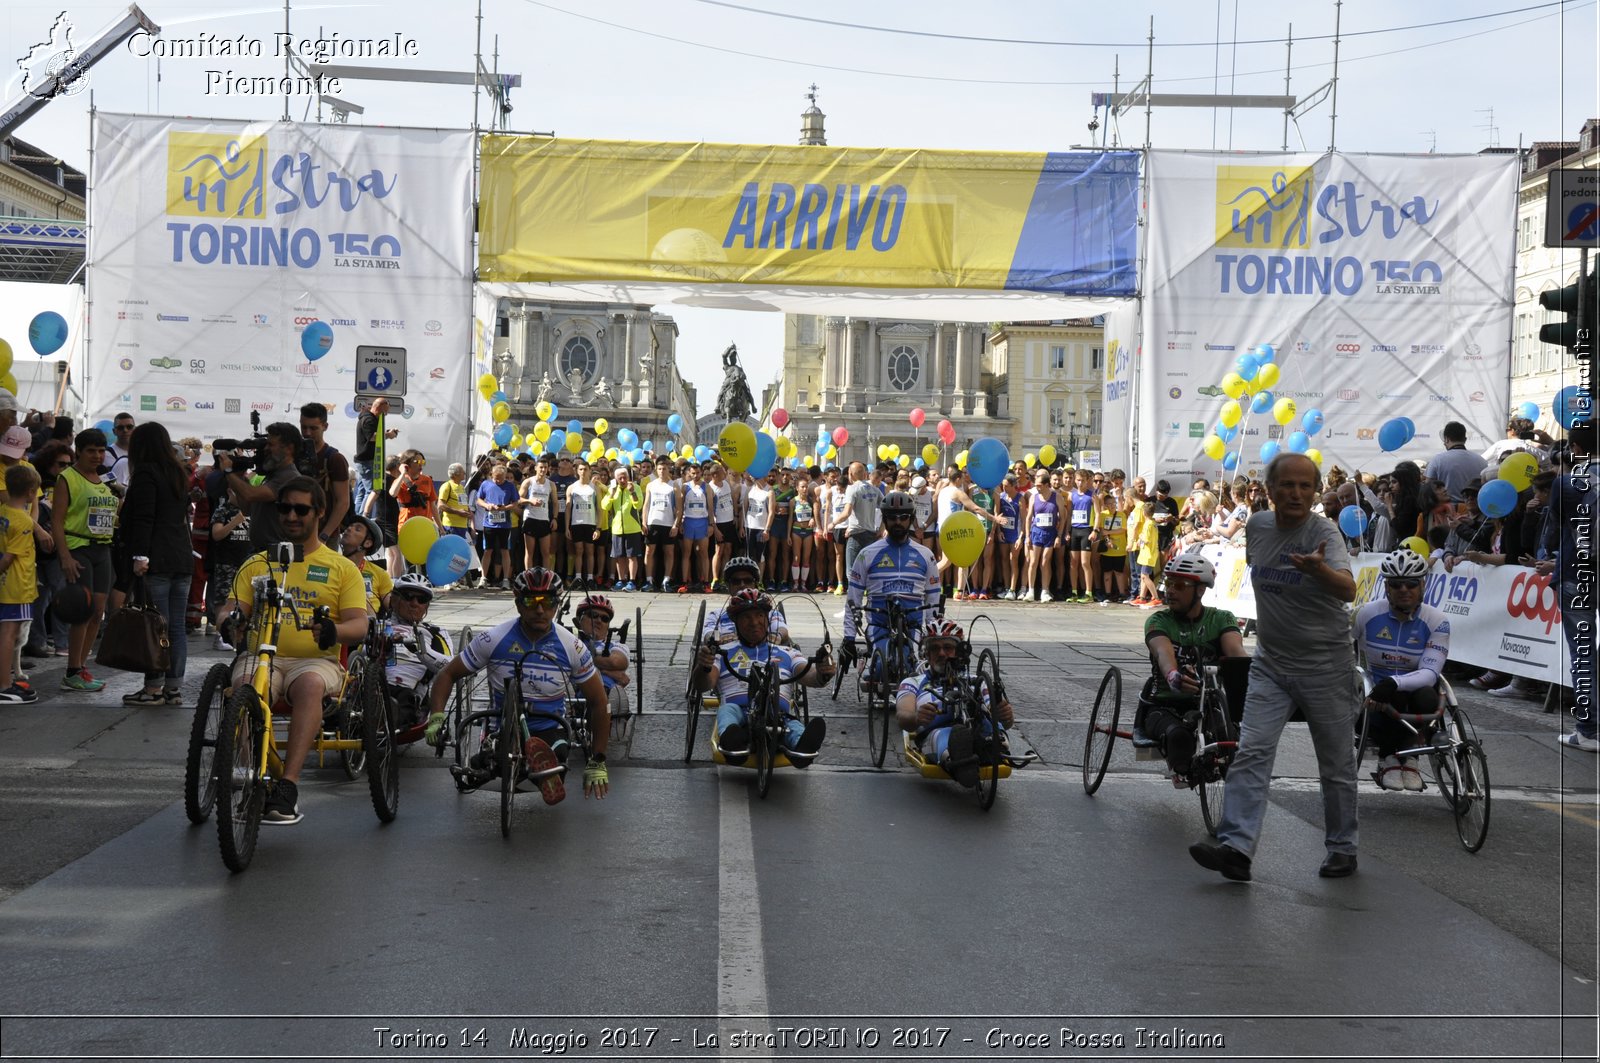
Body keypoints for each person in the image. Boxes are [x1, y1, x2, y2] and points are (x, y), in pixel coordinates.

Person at [1190, 452, 1359, 883]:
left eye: (1306, 486)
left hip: (1326, 665)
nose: (1296, 493)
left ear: (1316, 491)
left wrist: (1320, 571)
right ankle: (1237, 848)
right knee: (1251, 752)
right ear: (1269, 491)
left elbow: (1347, 589)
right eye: (1287, 485)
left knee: (1335, 764)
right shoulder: (1259, 526)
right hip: (1271, 663)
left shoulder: (1324, 533)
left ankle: (1342, 848)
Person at [215, 477, 369, 824]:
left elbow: (360, 625)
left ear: (320, 513)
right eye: (284, 508)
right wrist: (228, 621)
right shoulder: (257, 563)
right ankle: (254, 774)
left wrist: (333, 630)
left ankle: (288, 785)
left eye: (301, 509)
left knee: (311, 686)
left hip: (315, 661)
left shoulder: (341, 567)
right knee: (244, 688)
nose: (291, 516)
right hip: (261, 657)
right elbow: (229, 608)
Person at [429, 568, 610, 803]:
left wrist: (598, 760)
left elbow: (599, 702)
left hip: (549, 726)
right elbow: (447, 674)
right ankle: (501, 763)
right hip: (503, 725)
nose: (539, 610)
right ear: (517, 604)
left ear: (556, 605)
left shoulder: (572, 647)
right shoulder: (493, 639)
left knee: (556, 755)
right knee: (498, 757)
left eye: (547, 602)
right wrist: (436, 717)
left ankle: (535, 768)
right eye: (530, 601)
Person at [690, 588, 831, 765]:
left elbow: (809, 675)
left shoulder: (787, 652)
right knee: (727, 711)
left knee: (792, 724)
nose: (754, 622)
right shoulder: (722, 653)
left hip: (777, 714)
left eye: (759, 616)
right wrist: (703, 667)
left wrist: (822, 672)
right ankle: (733, 742)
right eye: (746, 617)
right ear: (736, 622)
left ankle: (802, 746)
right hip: (738, 712)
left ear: (767, 619)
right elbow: (704, 684)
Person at [1142, 554, 1248, 784]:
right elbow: (1163, 652)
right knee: (1179, 740)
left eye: (1179, 586)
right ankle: (1181, 768)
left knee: (1232, 741)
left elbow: (1236, 653)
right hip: (1164, 705)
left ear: (1200, 590)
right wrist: (1172, 675)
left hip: (1209, 705)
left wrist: (1254, 674)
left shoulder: (1220, 619)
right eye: (1168, 583)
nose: (1170, 591)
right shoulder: (1158, 621)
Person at [1352, 549, 1450, 791]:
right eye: (1396, 584)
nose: (1404, 589)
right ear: (1387, 587)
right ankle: (1391, 758)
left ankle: (1410, 758)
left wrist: (1394, 682)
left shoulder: (1437, 620)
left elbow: (1430, 672)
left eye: (1411, 584)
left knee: (1426, 694)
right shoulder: (1365, 614)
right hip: (1374, 697)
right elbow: (1339, 647)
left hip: (1416, 694)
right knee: (1388, 697)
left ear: (1422, 586)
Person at [118, 422, 195, 706]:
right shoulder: (177, 473)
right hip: (181, 558)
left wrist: (140, 556)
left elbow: (143, 518)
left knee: (156, 627)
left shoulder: (146, 473)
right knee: (174, 627)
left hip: (156, 559)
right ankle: (173, 688)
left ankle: (153, 689)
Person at [895, 619, 1013, 787]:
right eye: (935, 648)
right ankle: (960, 760)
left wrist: (1005, 716)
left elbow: (1004, 719)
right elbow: (902, 716)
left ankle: (994, 747)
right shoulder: (912, 682)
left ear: (960, 652)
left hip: (977, 727)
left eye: (948, 648)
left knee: (993, 728)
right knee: (945, 736)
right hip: (936, 732)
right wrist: (916, 717)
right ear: (927, 654)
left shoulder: (976, 681)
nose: (942, 653)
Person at [1539, 421, 1598, 751]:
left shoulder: (1566, 483)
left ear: (1575, 449)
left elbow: (1556, 528)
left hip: (1578, 573)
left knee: (1584, 652)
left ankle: (1588, 730)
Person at [843, 491, 940, 676]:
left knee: (914, 668)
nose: (898, 522)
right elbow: (853, 599)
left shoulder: (926, 555)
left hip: (913, 623)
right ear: (884, 520)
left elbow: (933, 599)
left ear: (911, 519)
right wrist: (849, 637)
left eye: (903, 517)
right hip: (879, 622)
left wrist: (933, 633)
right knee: (882, 668)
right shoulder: (867, 554)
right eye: (892, 517)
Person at [53, 427, 118, 692]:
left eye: (101, 451)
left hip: (103, 549)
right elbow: (56, 521)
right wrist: (65, 556)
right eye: (91, 450)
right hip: (78, 547)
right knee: (82, 610)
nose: (97, 455)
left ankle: (81, 667)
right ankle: (72, 671)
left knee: (98, 612)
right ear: (78, 451)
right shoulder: (67, 477)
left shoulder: (103, 480)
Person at [382, 573, 452, 733]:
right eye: (408, 597)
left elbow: (449, 667)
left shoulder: (435, 632)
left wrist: (421, 651)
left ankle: (389, 715)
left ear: (426, 607)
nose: (414, 603)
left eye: (421, 600)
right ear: (393, 599)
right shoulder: (376, 625)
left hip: (408, 691)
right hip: (374, 682)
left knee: (402, 698)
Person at [227, 422, 305, 551]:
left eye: (271, 444)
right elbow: (247, 509)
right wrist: (239, 476)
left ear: (289, 448)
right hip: (262, 551)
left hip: (278, 554)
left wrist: (228, 472)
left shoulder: (289, 477)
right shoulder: (272, 476)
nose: (265, 449)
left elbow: (250, 494)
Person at [0, 464, 40, 702]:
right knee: (9, 634)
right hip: (17, 585)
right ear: (31, 492)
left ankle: (5, 679)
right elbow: (8, 558)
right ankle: (4, 685)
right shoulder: (23, 521)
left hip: (5, 584)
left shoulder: (3, 511)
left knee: (5, 632)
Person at [569, 592, 631, 728]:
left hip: (604, 692)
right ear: (579, 620)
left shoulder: (617, 646)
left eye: (604, 618)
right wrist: (612, 672)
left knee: (606, 692)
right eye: (593, 615)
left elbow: (616, 662)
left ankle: (608, 713)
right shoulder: (568, 642)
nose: (598, 621)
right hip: (574, 692)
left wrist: (582, 664)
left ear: (608, 626)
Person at [702, 555, 791, 644]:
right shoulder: (717, 615)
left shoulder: (769, 611)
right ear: (728, 586)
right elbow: (710, 632)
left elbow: (781, 628)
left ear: (755, 584)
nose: (742, 585)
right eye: (736, 581)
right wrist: (716, 639)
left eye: (748, 580)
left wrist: (777, 636)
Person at [207, 488, 253, 651]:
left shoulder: (251, 508)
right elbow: (216, 534)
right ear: (229, 492)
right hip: (226, 561)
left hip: (246, 561)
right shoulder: (223, 509)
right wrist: (234, 521)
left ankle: (240, 633)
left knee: (244, 598)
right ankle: (222, 635)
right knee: (224, 598)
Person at [299, 403, 351, 542]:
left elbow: (343, 502)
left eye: (313, 428)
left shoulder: (335, 459)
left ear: (325, 427)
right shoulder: (294, 455)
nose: (307, 433)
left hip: (324, 535)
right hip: (296, 532)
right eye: (304, 427)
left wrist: (324, 535)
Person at [352, 396, 399, 520]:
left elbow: (374, 433)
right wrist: (388, 435)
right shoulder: (369, 419)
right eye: (385, 411)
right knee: (372, 491)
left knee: (362, 492)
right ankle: (363, 520)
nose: (386, 414)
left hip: (364, 460)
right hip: (367, 461)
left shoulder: (369, 418)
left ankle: (356, 518)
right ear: (378, 408)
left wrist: (388, 431)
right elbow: (372, 437)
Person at [475, 462, 520, 589]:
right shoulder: (486, 484)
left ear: (505, 476)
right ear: (491, 475)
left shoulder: (510, 486)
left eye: (500, 478)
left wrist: (505, 508)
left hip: (505, 525)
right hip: (489, 523)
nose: (498, 481)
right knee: (487, 550)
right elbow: (479, 500)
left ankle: (505, 579)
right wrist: (487, 506)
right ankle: (483, 578)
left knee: (505, 550)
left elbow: (515, 502)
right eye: (495, 478)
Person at [641, 456, 682, 592]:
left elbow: (679, 509)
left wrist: (676, 525)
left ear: (668, 469)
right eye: (659, 468)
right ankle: (649, 581)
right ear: (656, 469)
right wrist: (644, 522)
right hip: (653, 522)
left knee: (669, 552)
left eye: (664, 468)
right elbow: (646, 505)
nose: (662, 471)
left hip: (668, 523)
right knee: (649, 551)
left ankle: (666, 580)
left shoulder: (674, 486)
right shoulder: (651, 485)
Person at [339, 513, 392, 615]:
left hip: (368, 622)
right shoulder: (331, 565)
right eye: (349, 526)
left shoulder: (380, 573)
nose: (349, 529)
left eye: (357, 529)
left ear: (367, 543)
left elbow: (393, 609)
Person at [1424, 421, 1488, 503]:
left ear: (1446, 439)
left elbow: (1428, 488)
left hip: (1447, 511)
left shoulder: (1437, 460)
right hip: (1475, 510)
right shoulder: (1482, 461)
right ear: (1465, 440)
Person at [603, 466, 644, 591]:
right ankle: (621, 580)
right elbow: (605, 506)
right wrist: (611, 494)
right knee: (619, 557)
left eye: (624, 477)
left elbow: (638, 505)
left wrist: (632, 492)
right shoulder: (612, 490)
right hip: (617, 528)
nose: (622, 480)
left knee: (632, 556)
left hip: (632, 528)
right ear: (615, 479)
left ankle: (632, 581)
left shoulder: (635, 488)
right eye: (620, 477)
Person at [565, 459, 601, 591]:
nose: (583, 472)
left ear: (589, 471)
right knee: (578, 551)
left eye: (585, 469)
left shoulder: (594, 487)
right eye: (580, 469)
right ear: (577, 471)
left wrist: (598, 527)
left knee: (590, 551)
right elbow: (568, 508)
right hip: (576, 523)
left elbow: (599, 509)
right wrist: (567, 527)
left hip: (590, 522)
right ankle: (578, 577)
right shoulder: (572, 487)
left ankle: (590, 578)